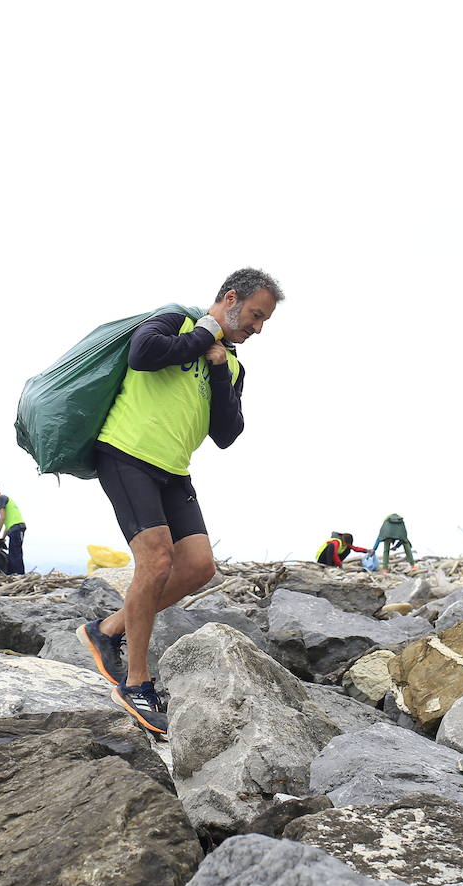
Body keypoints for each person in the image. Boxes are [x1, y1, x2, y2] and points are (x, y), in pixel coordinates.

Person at [75, 267, 282, 735]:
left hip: (172, 470)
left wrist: (216, 366)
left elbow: (227, 433)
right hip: (127, 453)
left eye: (264, 320)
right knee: (156, 560)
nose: (257, 328)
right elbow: (144, 355)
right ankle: (135, 684)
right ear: (230, 298)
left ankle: (105, 631)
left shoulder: (230, 364)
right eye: (254, 315)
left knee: (198, 567)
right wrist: (202, 337)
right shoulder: (173, 320)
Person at [0, 486, 27, 574]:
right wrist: (2, 537)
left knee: (15, 554)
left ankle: (19, 575)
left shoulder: (0, 498)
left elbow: (2, 518)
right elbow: (7, 523)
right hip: (16, 528)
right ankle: (14, 574)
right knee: (14, 553)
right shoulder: (6, 499)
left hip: (17, 528)